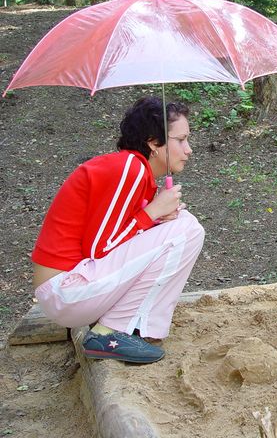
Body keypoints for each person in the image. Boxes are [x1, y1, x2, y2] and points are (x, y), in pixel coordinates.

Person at [32, 97, 205, 364]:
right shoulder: (129, 169)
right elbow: (100, 249)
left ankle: (129, 326)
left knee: (179, 222)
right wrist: (151, 212)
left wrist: (156, 218)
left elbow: (116, 239)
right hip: (65, 291)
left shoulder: (135, 172)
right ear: (153, 143)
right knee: (187, 228)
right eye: (181, 140)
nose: (188, 149)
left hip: (73, 289)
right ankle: (111, 332)